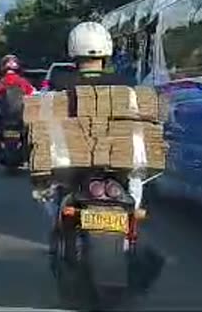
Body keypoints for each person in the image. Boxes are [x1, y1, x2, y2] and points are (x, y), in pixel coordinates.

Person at [43, 21, 164, 295]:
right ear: (106, 52)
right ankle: (128, 236)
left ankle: (58, 231)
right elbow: (142, 126)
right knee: (134, 195)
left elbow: (47, 127)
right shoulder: (126, 87)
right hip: (120, 164)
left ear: (73, 51)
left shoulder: (59, 86)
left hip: (74, 167)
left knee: (50, 195)